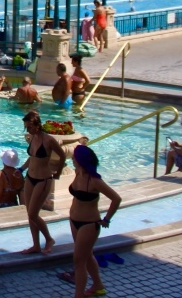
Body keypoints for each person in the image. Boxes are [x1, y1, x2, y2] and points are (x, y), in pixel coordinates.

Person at [65, 145, 121, 298]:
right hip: (74, 221)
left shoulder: (95, 181)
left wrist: (107, 219)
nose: (72, 159)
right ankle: (98, 285)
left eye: (74, 157)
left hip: (89, 224)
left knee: (78, 260)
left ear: (80, 160)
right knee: (87, 255)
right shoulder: (78, 173)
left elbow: (116, 199)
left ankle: (79, 295)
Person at [20, 110, 66, 254]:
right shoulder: (33, 138)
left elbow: (62, 155)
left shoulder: (48, 140)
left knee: (34, 214)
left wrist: (58, 173)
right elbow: (32, 157)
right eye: (26, 127)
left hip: (43, 179)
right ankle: (36, 245)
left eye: (29, 127)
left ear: (37, 125)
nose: (27, 130)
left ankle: (49, 239)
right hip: (30, 178)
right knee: (29, 213)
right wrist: (21, 168)